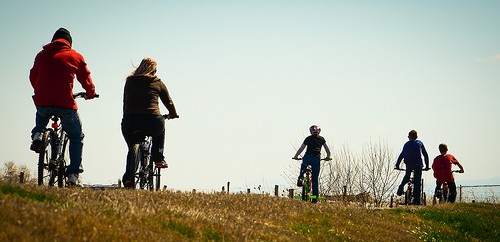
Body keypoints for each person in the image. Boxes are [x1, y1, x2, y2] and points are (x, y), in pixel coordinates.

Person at [29, 27, 97, 186]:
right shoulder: (75, 56)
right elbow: (85, 78)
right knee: (76, 136)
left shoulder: (41, 55)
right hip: (65, 104)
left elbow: (33, 75)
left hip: (43, 100)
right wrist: (90, 93)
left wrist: (39, 90)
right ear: (69, 43)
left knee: (41, 112)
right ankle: (73, 174)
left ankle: (38, 134)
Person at [121, 57, 179, 188]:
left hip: (130, 122)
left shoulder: (129, 81)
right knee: (161, 126)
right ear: (153, 70)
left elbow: (125, 102)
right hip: (152, 121)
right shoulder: (157, 82)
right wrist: (173, 115)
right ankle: (158, 158)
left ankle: (128, 179)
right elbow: (168, 102)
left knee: (132, 148)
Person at [292, 125, 332, 203]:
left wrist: (296, 156)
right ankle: (315, 198)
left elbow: (301, 148)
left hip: (307, 157)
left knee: (303, 166)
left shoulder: (308, 138)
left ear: (310, 131)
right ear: (319, 131)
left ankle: (300, 177)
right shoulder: (321, 139)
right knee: (315, 179)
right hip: (316, 159)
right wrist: (328, 157)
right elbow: (327, 150)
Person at [395, 130, 430, 205]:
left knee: (407, 176)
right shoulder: (419, 143)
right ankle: (416, 201)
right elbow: (425, 155)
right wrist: (427, 166)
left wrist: (397, 165)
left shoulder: (406, 144)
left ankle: (401, 186)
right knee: (417, 182)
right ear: (416, 137)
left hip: (409, 164)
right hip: (418, 165)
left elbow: (401, 155)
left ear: (409, 137)